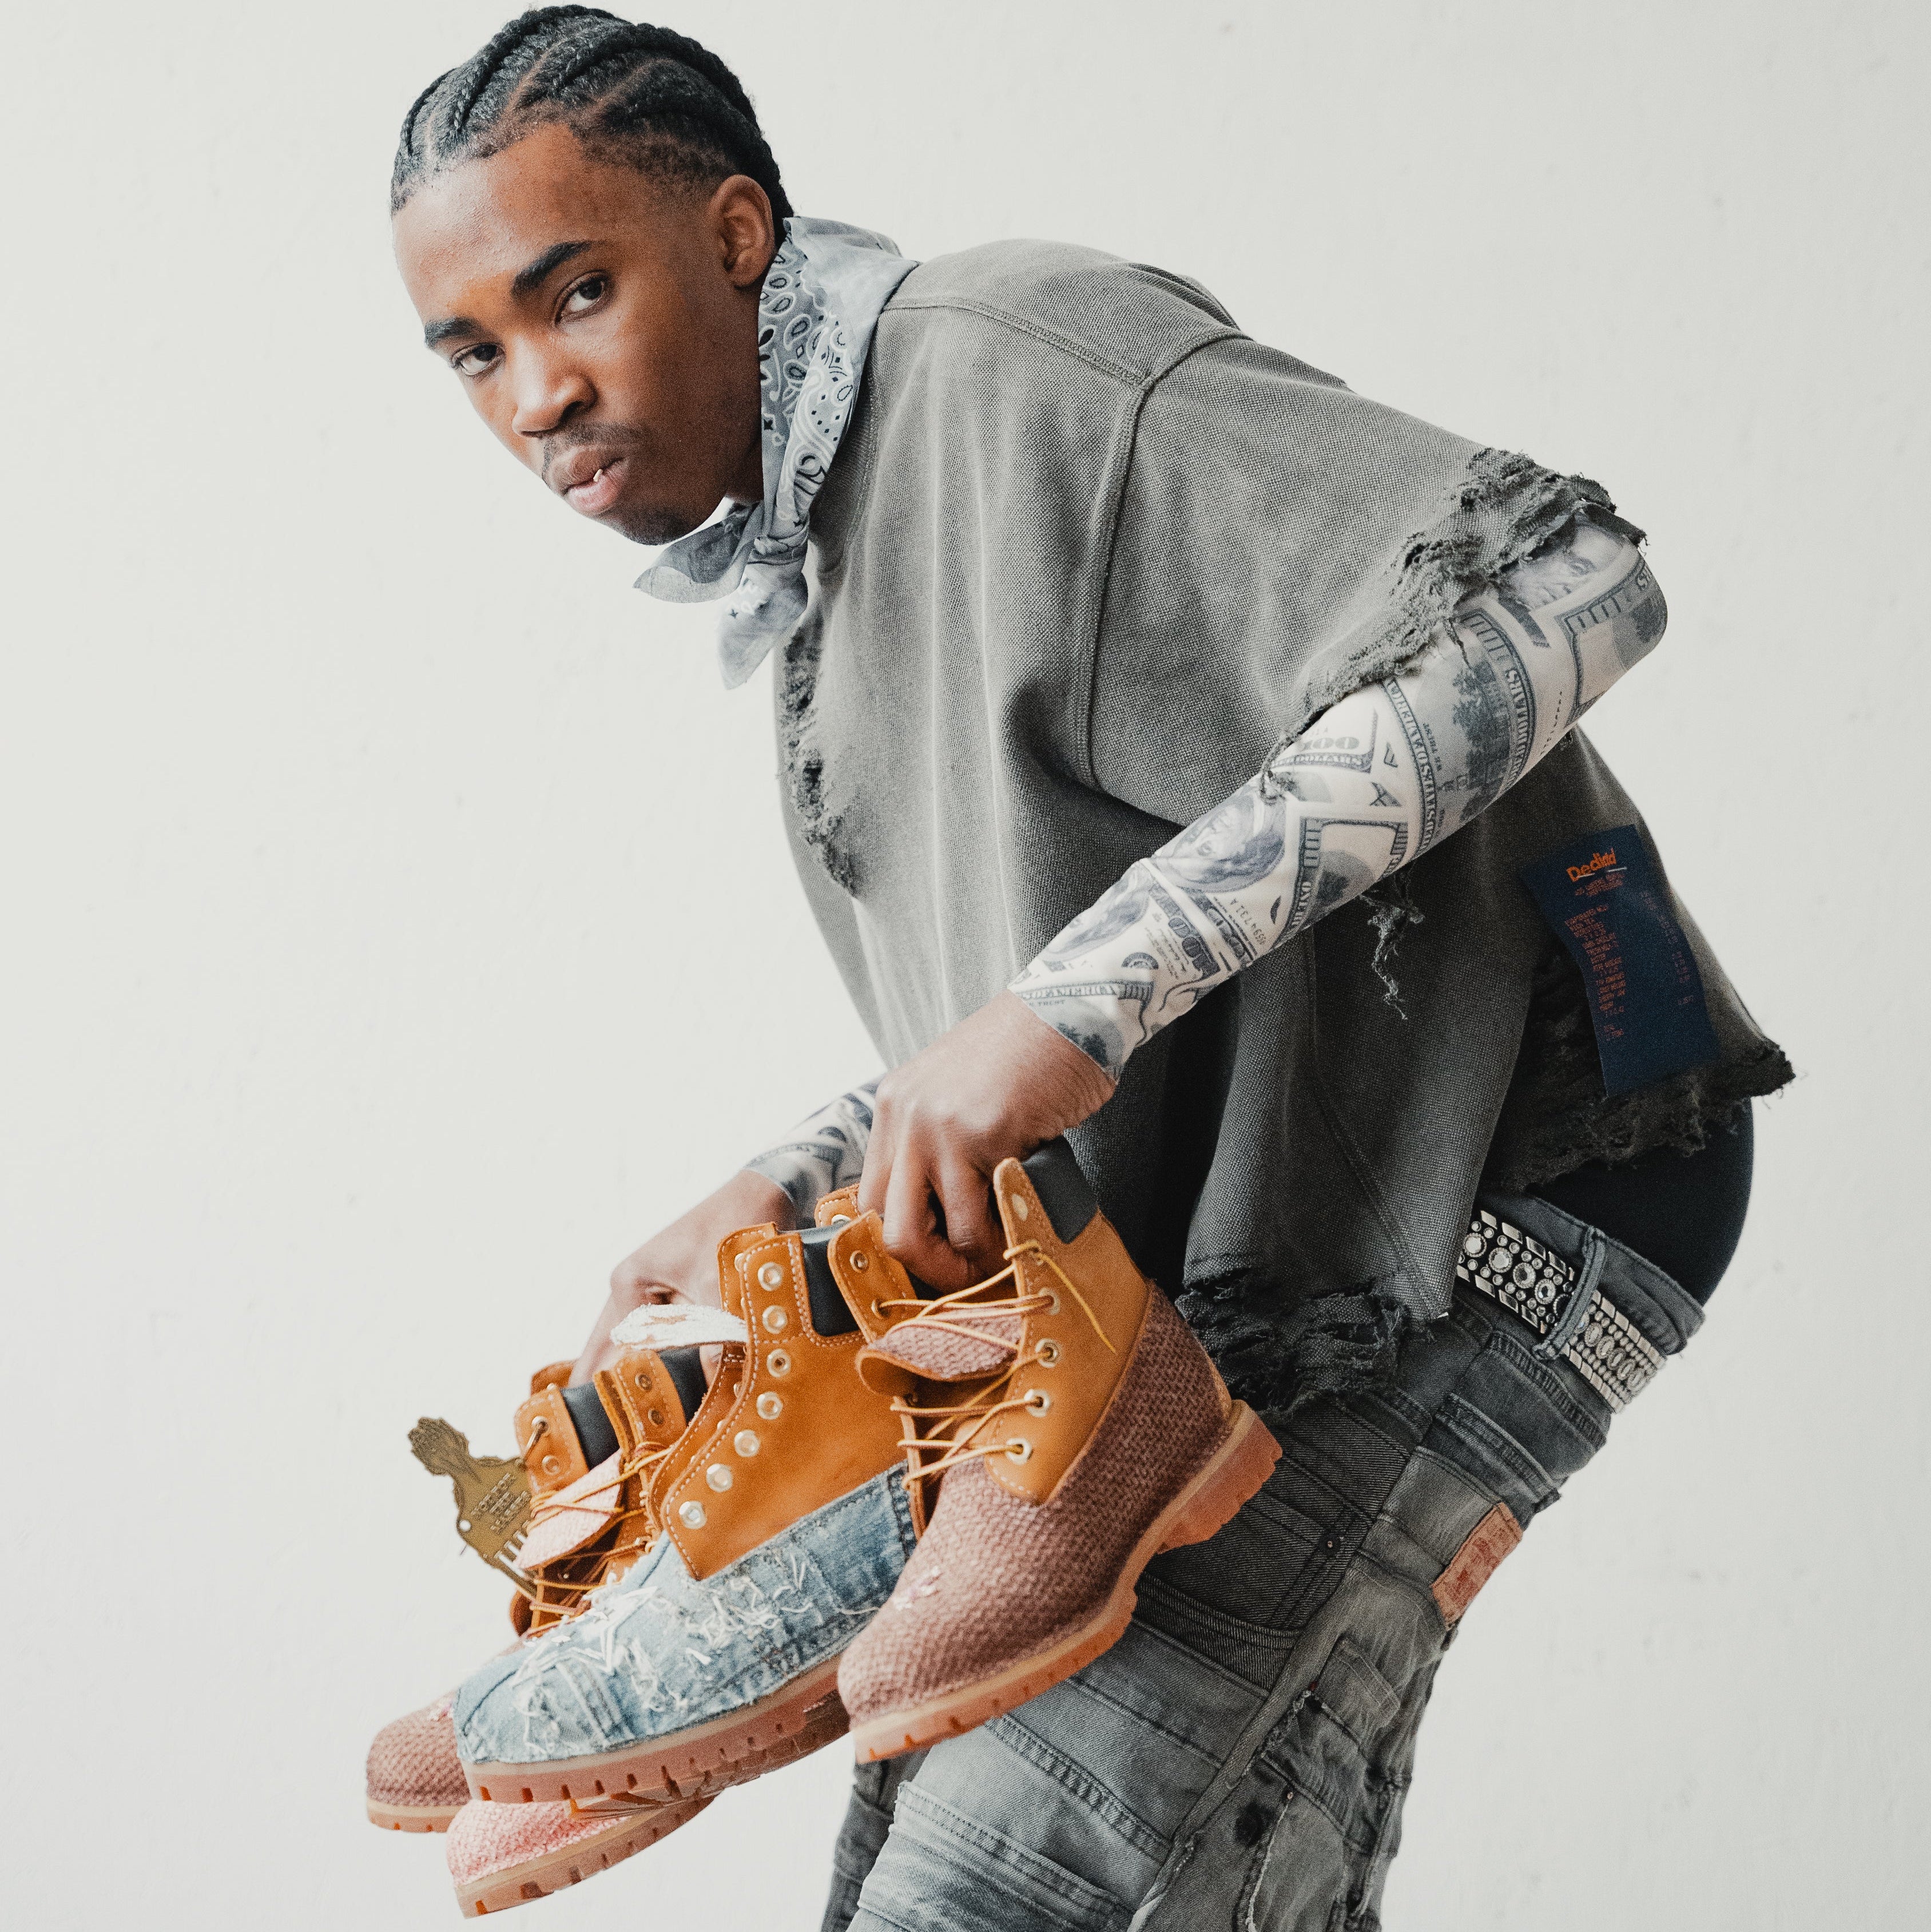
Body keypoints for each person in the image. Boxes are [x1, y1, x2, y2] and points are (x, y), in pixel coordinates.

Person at [385, 11, 1789, 1925]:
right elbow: (1075, 983)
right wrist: (794, 1177)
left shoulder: (1011, 360)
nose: (538, 391)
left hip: (1477, 1174)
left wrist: (1067, 1008)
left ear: (733, 234)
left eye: (576, 293)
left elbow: (1570, 584)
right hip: (1238, 1255)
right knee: (981, 1848)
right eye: (474, 352)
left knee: (1004, 1889)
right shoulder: (820, 569)